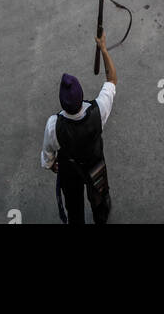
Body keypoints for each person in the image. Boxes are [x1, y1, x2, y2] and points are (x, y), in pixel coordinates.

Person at [41, 32, 117, 226]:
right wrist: (103, 48)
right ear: (81, 93)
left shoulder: (53, 125)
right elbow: (111, 80)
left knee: (74, 210)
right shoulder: (98, 110)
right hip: (95, 164)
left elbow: (48, 151)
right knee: (99, 201)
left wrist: (51, 165)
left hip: (70, 171)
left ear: (62, 102)